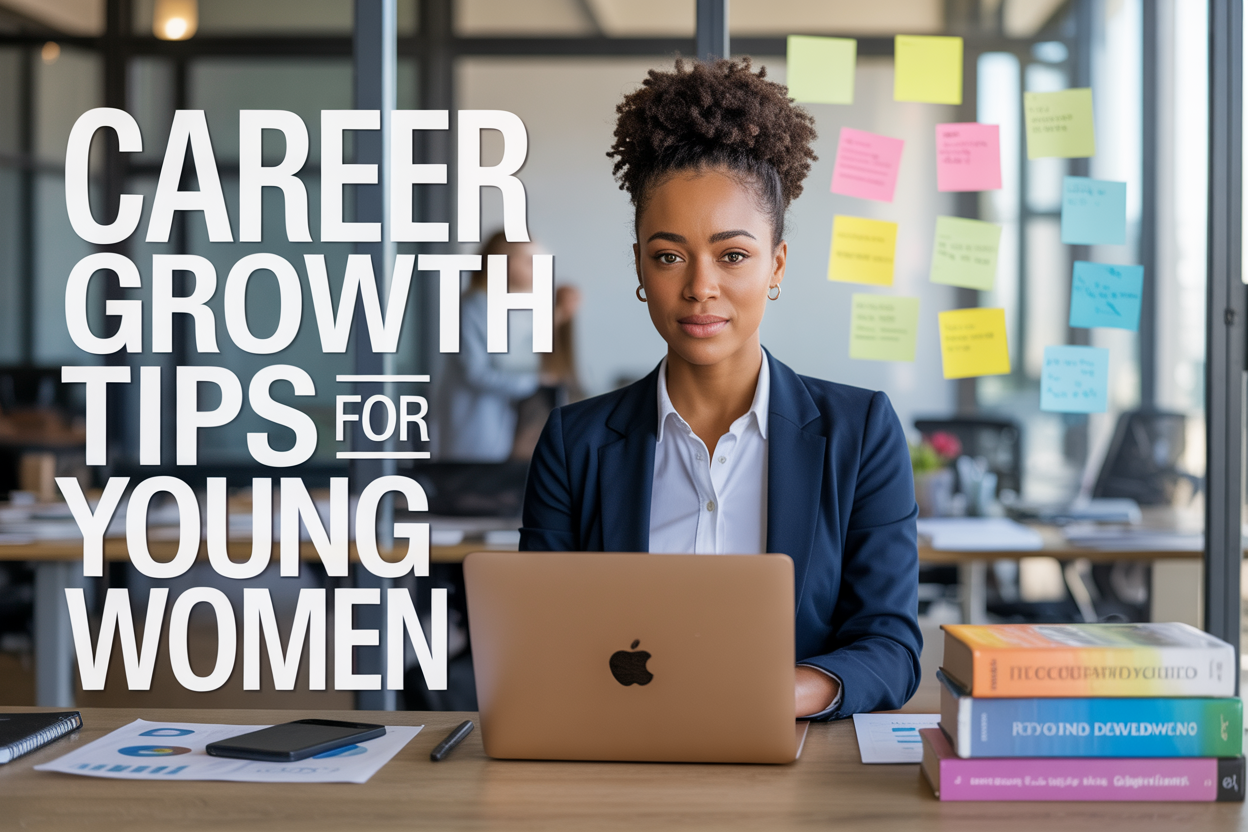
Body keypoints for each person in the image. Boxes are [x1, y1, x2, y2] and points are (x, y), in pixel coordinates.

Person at [519, 59, 922, 719]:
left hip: (791, 767)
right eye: (669, 255)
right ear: (641, 268)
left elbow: (891, 645)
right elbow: (536, 637)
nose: (700, 286)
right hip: (617, 758)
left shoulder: (862, 431)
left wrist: (779, 694)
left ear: (776, 266)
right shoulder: (574, 443)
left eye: (732, 256)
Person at [432, 232, 580, 461]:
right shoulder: (472, 308)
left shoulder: (506, 309)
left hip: (500, 433)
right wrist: (534, 380)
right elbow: (478, 372)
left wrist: (559, 316)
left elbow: (521, 349)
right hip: (475, 432)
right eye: (530, 262)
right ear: (505, 263)